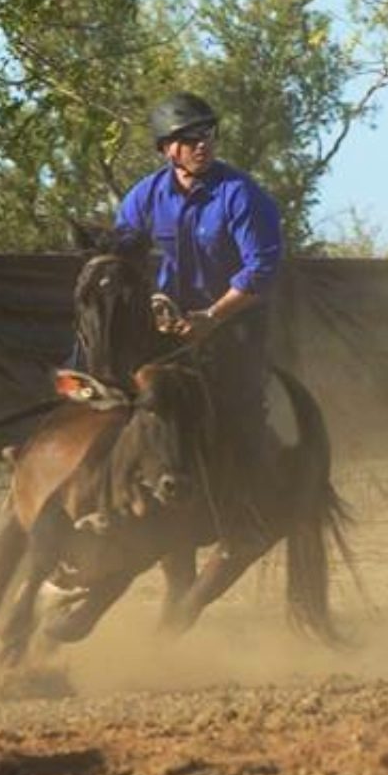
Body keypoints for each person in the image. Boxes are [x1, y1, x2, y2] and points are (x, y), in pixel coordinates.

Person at [114, 91, 284, 545]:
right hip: (167, 329)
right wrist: (152, 301)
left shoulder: (241, 196)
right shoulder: (144, 197)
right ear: (167, 149)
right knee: (114, 391)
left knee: (239, 405)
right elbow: (122, 258)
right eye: (189, 137)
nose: (202, 144)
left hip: (235, 326)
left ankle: (246, 510)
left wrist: (212, 315)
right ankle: (108, 497)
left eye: (207, 133)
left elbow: (261, 269)